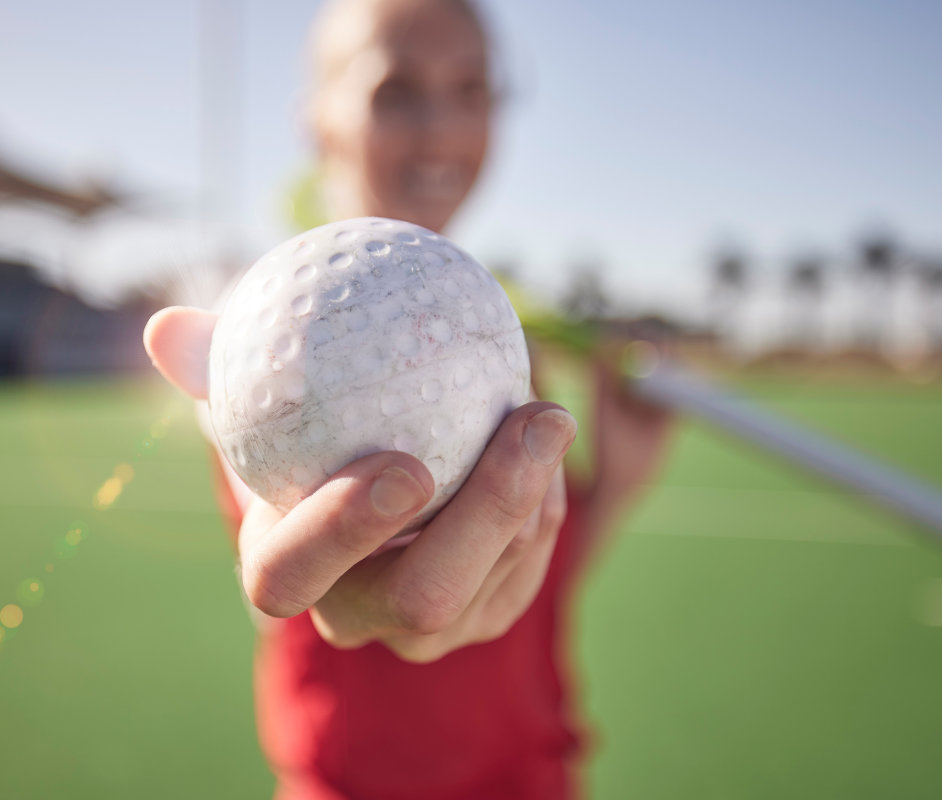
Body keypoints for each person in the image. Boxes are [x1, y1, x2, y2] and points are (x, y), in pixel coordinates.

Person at [144, 0, 670, 797]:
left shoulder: (496, 348)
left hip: (535, 778)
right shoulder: (255, 355)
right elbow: (294, 578)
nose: (441, 129)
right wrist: (311, 580)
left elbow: (522, 582)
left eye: (472, 91)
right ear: (318, 119)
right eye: (398, 91)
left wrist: (618, 484)